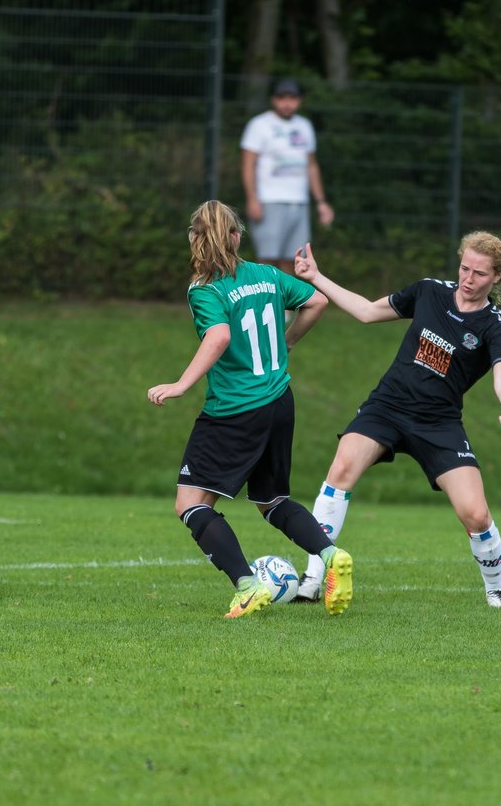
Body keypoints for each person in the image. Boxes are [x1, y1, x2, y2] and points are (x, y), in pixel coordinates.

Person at [292, 232, 501, 609]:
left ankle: (496, 588)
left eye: (479, 274)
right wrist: (316, 277)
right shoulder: (429, 292)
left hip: (438, 423)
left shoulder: (495, 327)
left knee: (475, 513)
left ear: (498, 278)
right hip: (387, 406)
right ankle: (312, 576)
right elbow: (368, 312)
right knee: (341, 466)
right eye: (464, 268)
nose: (468, 278)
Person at [146, 200, 353, 619]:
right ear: (237, 236)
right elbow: (316, 302)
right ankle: (331, 557)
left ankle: (246, 585)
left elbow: (219, 337)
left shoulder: (205, 288)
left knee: (190, 503)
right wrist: (288, 342)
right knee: (272, 500)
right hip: (279, 401)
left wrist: (182, 384)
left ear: (194, 240)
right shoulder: (266, 275)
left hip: (236, 409)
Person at [240, 77, 334, 275]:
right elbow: (248, 165)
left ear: (299, 101)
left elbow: (311, 165)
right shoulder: (259, 125)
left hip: (298, 202)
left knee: (294, 259)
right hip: (269, 200)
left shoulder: (305, 126)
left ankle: (284, 306)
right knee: (267, 258)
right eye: (282, 98)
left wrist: (321, 202)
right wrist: (252, 199)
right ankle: (265, 304)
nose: (287, 103)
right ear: (273, 100)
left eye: (292, 98)